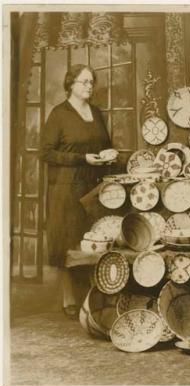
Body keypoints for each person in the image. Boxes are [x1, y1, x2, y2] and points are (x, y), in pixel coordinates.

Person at [40, 64, 113, 319]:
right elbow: (46, 152)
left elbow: (104, 143)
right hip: (66, 187)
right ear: (70, 84)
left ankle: (95, 294)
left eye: (91, 82)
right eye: (84, 82)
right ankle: (69, 298)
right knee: (69, 240)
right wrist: (82, 159)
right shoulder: (59, 114)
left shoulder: (95, 112)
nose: (89, 86)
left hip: (94, 185)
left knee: (94, 239)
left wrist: (107, 153)